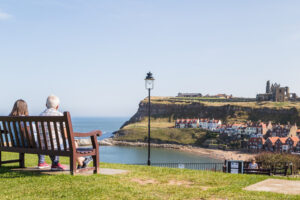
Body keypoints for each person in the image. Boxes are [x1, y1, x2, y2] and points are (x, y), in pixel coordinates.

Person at [38, 95, 92, 170]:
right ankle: (82, 161)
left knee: (54, 141)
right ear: (57, 106)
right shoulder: (59, 115)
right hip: (56, 147)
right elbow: (66, 135)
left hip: (43, 146)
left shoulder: (40, 116)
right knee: (73, 142)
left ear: (46, 105)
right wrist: (74, 139)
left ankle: (82, 161)